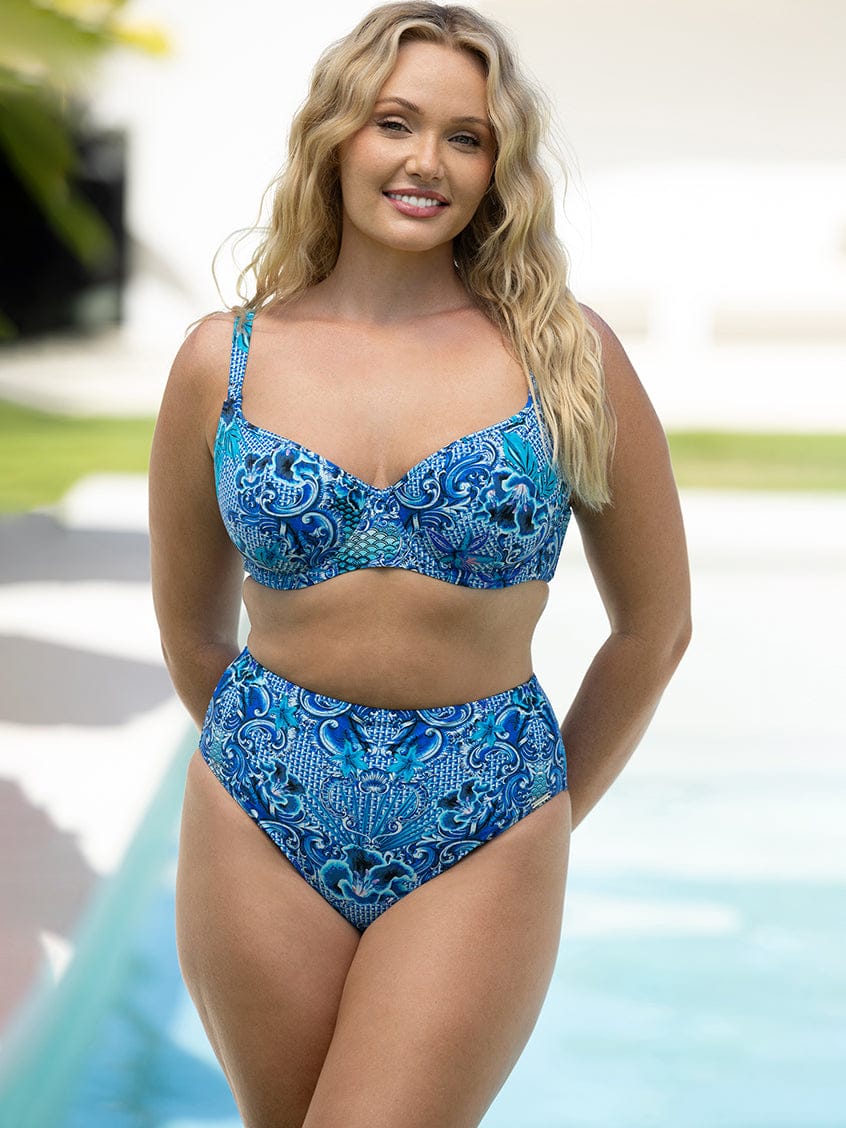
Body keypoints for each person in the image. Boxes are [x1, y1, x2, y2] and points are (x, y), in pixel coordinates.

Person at [149, 3, 691, 1125]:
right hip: (260, 808)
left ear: (497, 170)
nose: (425, 163)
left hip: (488, 811)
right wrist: (273, 755)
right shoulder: (222, 361)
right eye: (395, 123)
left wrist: (542, 810)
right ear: (337, 134)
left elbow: (654, 628)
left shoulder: (567, 357)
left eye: (466, 137)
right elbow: (191, 631)